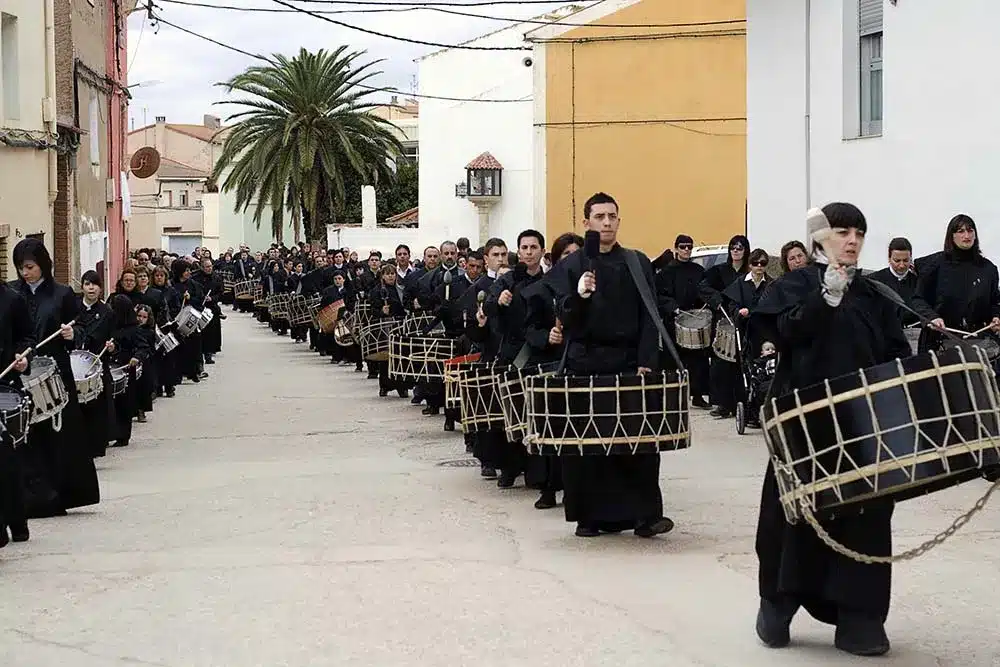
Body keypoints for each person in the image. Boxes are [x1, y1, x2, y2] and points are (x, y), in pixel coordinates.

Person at [751, 202, 909, 657]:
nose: (853, 240)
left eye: (859, 232)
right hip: (803, 427)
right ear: (822, 237)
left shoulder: (878, 294)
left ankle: (860, 616)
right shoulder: (796, 284)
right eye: (842, 231)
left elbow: (895, 354)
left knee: (867, 522)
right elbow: (780, 334)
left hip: (863, 430)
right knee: (789, 520)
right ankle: (776, 605)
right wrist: (826, 299)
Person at [550, 192, 672, 539]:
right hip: (584, 364)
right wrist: (579, 296)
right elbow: (564, 318)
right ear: (586, 222)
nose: (606, 222)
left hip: (627, 362)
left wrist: (648, 361)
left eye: (612, 216)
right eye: (599, 216)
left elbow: (651, 314)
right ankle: (589, 517)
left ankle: (645, 516)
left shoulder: (636, 261)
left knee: (639, 444)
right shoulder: (572, 265)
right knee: (587, 446)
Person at [10, 239, 99, 518]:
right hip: (20, 371)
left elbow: (82, 328)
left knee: (58, 436)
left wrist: (73, 336)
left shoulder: (62, 294)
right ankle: (26, 499)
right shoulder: (12, 293)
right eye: (21, 268)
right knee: (26, 438)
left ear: (43, 265)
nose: (25, 273)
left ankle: (58, 496)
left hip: (55, 372)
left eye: (30, 267)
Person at [521, 232, 583, 509]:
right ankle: (548, 487)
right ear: (556, 259)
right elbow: (529, 330)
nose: (573, 260)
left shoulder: (593, 289)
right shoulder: (540, 291)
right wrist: (547, 336)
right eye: (567, 255)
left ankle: (575, 489)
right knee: (551, 430)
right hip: (550, 367)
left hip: (581, 366)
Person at [482, 230, 547, 488]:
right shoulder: (507, 280)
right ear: (518, 252)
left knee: (537, 415)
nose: (529, 252)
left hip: (540, 356)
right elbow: (486, 307)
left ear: (542, 251)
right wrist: (499, 301)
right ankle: (509, 468)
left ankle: (537, 471)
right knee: (511, 414)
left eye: (534, 247)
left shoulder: (551, 280)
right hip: (512, 356)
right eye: (524, 247)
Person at [912, 215, 1000, 355]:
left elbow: (994, 302)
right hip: (939, 343)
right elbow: (918, 300)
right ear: (951, 236)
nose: (966, 235)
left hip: (979, 343)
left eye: (970, 230)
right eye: (960, 231)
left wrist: (996, 317)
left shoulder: (988, 269)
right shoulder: (935, 265)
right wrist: (932, 317)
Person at [656, 235, 709, 409]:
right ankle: (674, 396)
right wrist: (673, 307)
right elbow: (660, 295)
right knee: (673, 360)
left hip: (694, 320)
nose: (686, 250)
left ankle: (698, 395)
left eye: (689, 247)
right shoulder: (666, 272)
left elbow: (705, 290)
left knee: (698, 360)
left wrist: (704, 306)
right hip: (674, 321)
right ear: (676, 248)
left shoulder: (698, 270)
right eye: (683, 247)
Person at [700, 235, 750, 418]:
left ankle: (742, 402)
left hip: (743, 322)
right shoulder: (718, 271)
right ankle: (722, 403)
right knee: (721, 363)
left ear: (746, 250)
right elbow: (703, 287)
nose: (736, 251)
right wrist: (717, 299)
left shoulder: (749, 272)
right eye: (733, 247)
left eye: (740, 247)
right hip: (723, 322)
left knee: (741, 364)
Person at [0, 281, 34, 545]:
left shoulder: (12, 299)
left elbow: (27, 337)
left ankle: (16, 521)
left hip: (4, 384)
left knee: (7, 463)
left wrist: (22, 357)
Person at [74, 270, 116, 458]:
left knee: (97, 406)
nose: (91, 288)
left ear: (100, 288)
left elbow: (115, 335)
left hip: (97, 363)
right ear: (82, 286)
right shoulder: (73, 308)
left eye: (95, 284)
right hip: (74, 362)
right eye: (87, 284)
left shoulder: (107, 311)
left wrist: (112, 346)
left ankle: (97, 444)